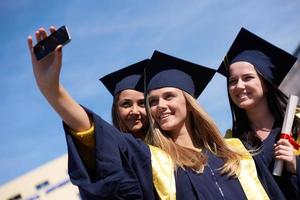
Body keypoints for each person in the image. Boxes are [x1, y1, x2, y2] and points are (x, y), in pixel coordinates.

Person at [28, 26, 270, 199]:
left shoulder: (237, 152)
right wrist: (53, 90)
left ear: (189, 102)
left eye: (169, 96)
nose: (160, 106)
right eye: (152, 101)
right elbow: (99, 135)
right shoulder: (154, 160)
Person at [218, 27, 300, 199]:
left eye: (248, 78)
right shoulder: (232, 143)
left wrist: (295, 164)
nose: (239, 86)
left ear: (265, 83)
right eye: (232, 81)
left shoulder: (297, 124)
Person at [100, 59, 150, 139]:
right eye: (126, 104)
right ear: (116, 109)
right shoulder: (110, 145)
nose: (135, 111)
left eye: (142, 104)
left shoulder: (165, 146)